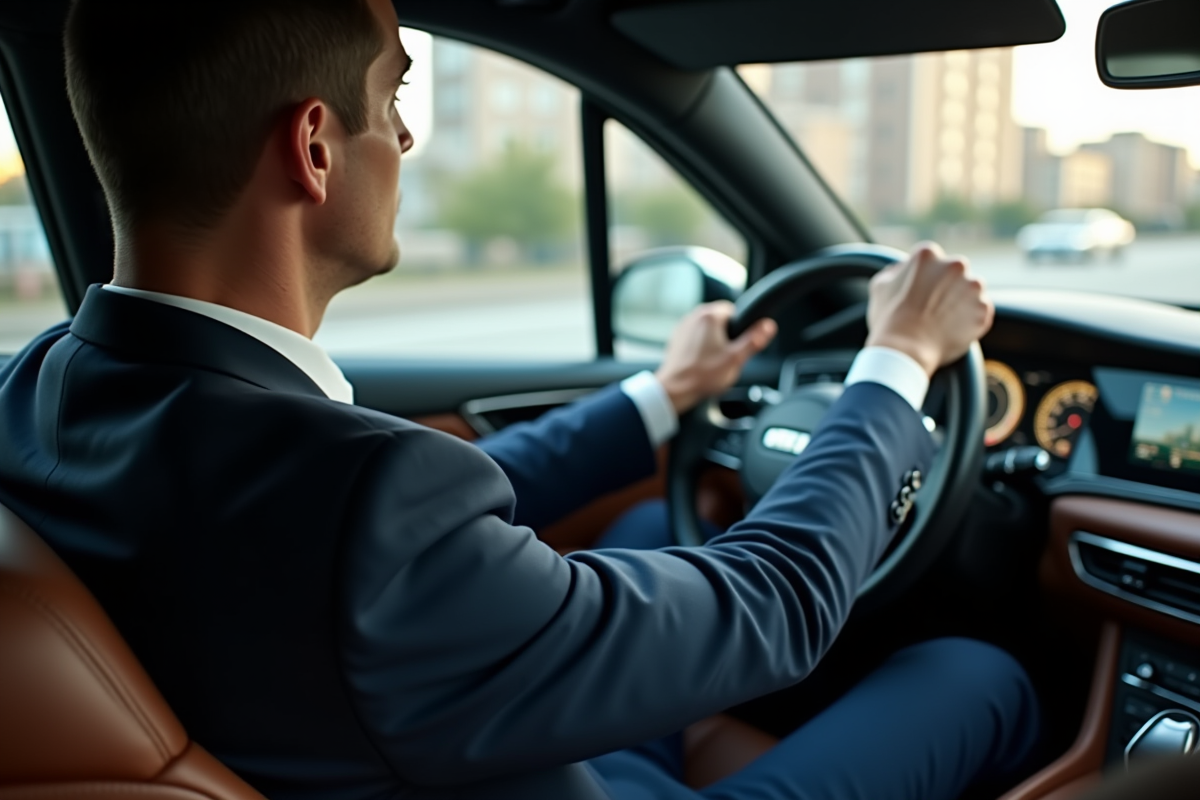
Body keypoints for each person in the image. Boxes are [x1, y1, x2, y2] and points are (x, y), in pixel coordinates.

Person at [0, 1, 1038, 799]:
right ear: (314, 147)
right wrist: (898, 357)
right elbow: (778, 603)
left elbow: (412, 529)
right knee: (976, 671)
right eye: (394, 98)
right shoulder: (355, 502)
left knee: (640, 522)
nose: (404, 140)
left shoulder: (41, 386)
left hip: (431, 739)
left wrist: (663, 394)